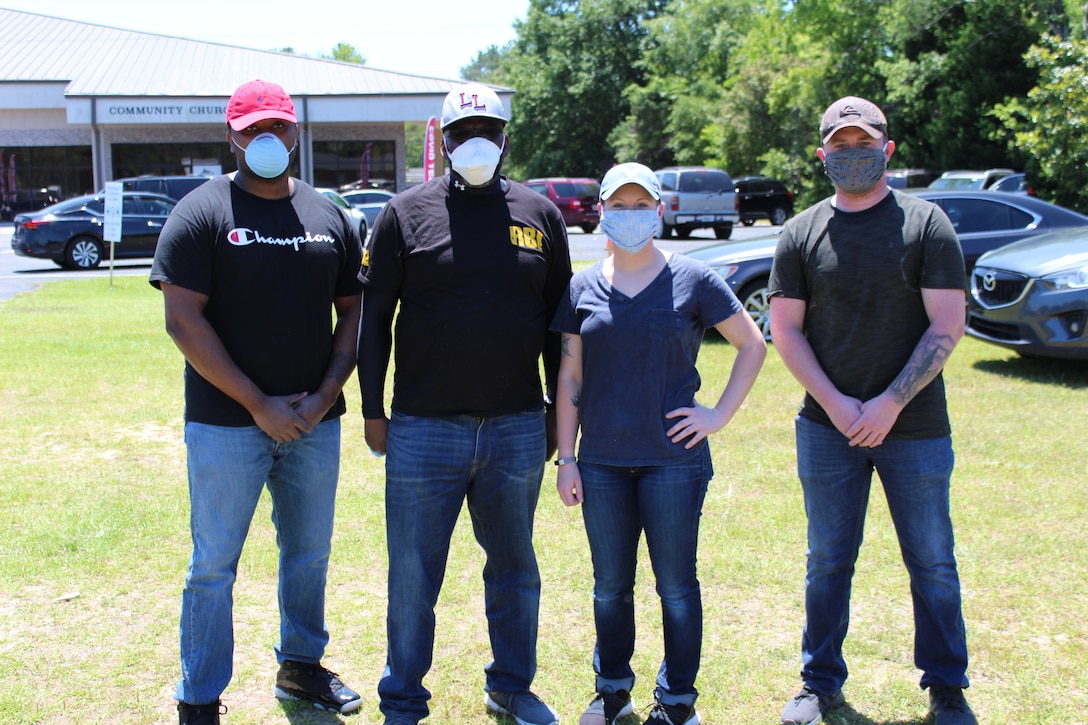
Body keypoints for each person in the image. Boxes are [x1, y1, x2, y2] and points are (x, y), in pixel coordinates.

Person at [150, 79, 365, 725]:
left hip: (314, 424)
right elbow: (183, 321)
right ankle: (199, 696)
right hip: (226, 424)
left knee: (309, 553)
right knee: (213, 564)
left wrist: (325, 396)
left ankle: (301, 667)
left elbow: (354, 314)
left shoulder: (329, 215)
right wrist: (257, 403)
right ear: (232, 136)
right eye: (253, 129)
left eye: (278, 126)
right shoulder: (201, 212)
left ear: (295, 132)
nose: (267, 138)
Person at [356, 82, 572, 725]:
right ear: (444, 139)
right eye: (462, 132)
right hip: (424, 428)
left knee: (514, 569)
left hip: (517, 425)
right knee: (413, 576)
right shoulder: (404, 213)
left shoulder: (541, 214)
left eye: (488, 130)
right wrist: (373, 410)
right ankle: (402, 697)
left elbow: (559, 329)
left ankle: (511, 686)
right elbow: (374, 320)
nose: (476, 141)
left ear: (506, 139)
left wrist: (556, 418)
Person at [769, 97, 977, 725]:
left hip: (914, 427)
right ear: (822, 153)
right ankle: (819, 683)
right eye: (841, 144)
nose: (852, 153)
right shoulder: (801, 231)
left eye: (865, 143)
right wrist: (836, 405)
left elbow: (947, 323)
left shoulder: (926, 223)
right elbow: (786, 330)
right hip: (826, 430)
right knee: (828, 560)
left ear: (887, 149)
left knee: (932, 560)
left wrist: (890, 402)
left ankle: (947, 686)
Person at [551, 163, 767, 725]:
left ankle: (677, 703)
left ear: (659, 210)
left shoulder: (694, 278)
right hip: (601, 463)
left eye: (640, 205)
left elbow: (752, 345)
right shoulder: (581, 287)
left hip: (674, 462)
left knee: (675, 587)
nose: (630, 216)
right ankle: (613, 692)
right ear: (602, 212)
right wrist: (567, 458)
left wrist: (717, 414)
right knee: (609, 587)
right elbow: (570, 376)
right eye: (618, 206)